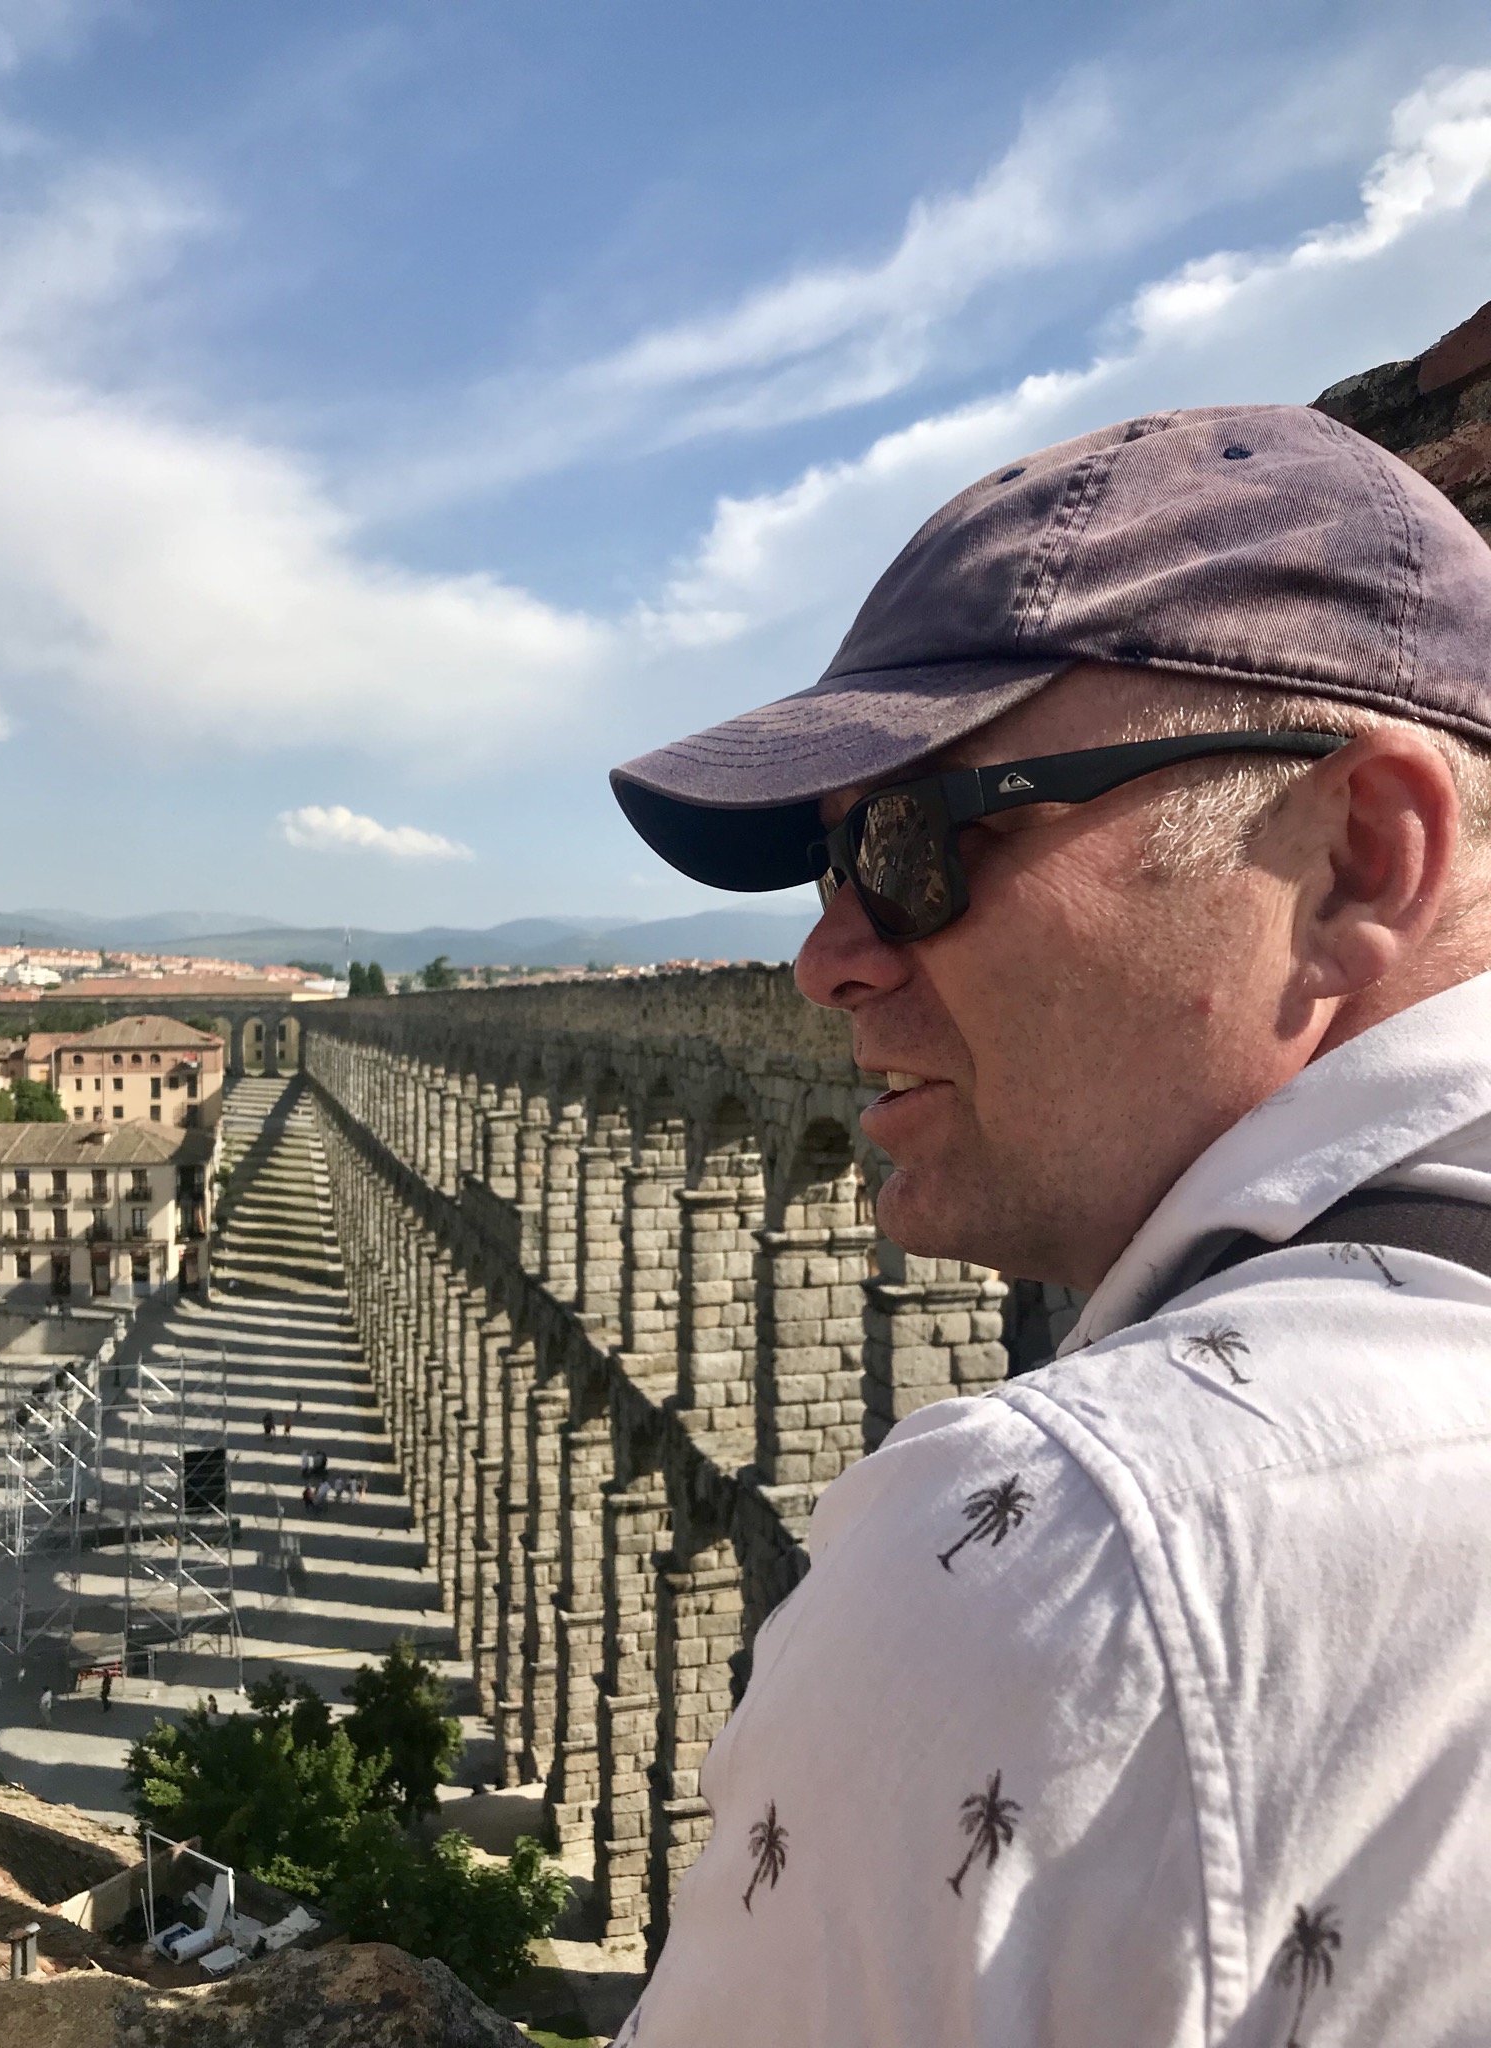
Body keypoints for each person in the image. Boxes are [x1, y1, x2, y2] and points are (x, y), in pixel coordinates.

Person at [608, 404, 1491, 2045]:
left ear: (1360, 860)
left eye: (915, 843)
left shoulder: (1061, 1559)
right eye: (826, 862)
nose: (828, 957)